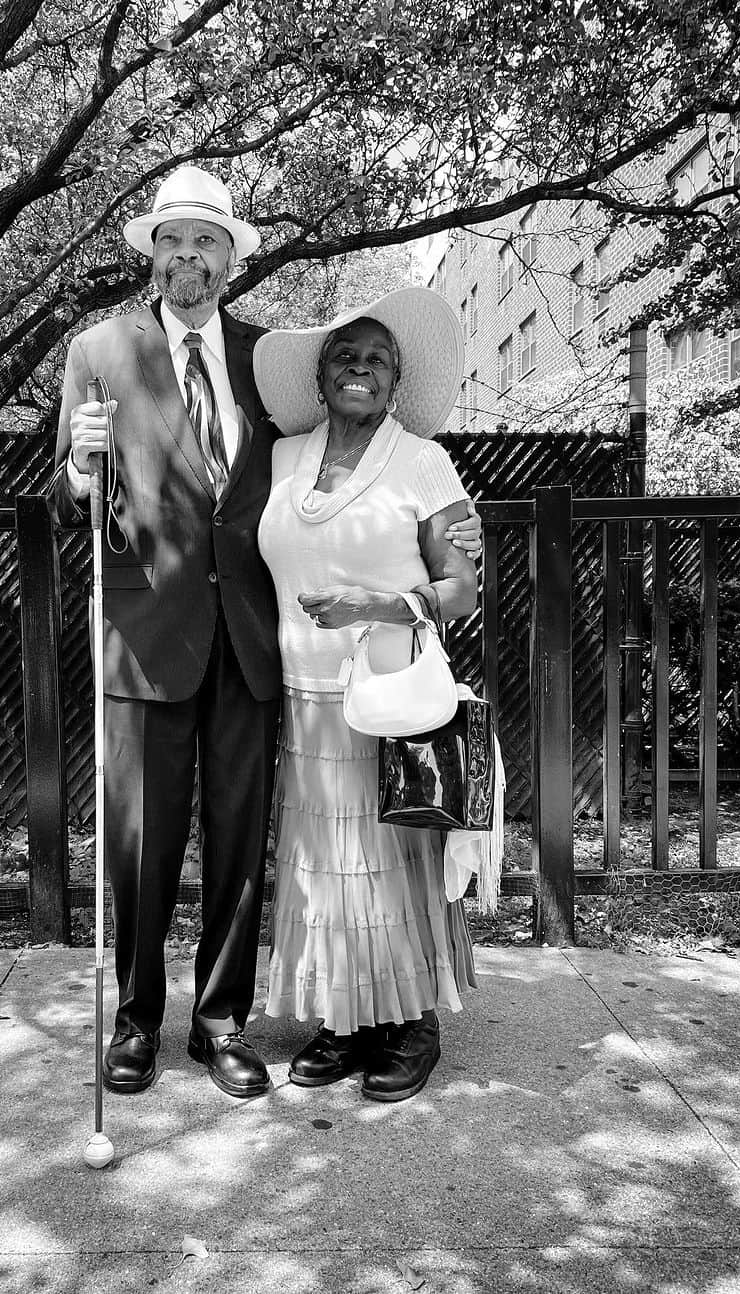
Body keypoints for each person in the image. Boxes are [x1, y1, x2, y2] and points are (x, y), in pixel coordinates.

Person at [55, 167, 482, 1100]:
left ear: (231, 259)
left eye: (207, 241)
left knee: (243, 845)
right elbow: (67, 502)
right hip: (145, 642)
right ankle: (135, 1023)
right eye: (173, 238)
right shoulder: (97, 352)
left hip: (254, 646)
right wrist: (85, 472)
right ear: (152, 251)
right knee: (141, 844)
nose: (188, 256)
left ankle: (220, 1023)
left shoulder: (262, 363)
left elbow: (307, 485)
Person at [253, 286, 479, 1103]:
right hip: (303, 700)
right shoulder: (280, 459)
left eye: (376, 358)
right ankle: (345, 1021)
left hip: (391, 702)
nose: (360, 367)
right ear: (319, 375)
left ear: (395, 380)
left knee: (396, 863)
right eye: (344, 354)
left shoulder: (423, 460)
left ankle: (414, 1022)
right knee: (325, 869)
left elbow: (463, 589)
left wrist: (377, 604)